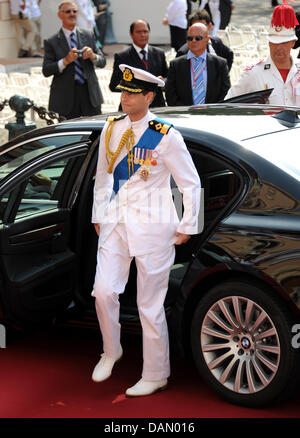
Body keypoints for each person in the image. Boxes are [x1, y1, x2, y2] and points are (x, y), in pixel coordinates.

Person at [91, 64, 201, 397]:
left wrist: (188, 224)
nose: (125, 98)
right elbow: (103, 176)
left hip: (154, 228)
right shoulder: (111, 128)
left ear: (148, 96)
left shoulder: (165, 135)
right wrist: (99, 214)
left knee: (149, 306)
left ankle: (155, 373)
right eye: (123, 92)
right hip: (115, 223)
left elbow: (189, 183)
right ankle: (112, 350)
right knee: (104, 291)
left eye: (132, 93)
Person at [225, 1, 300, 105]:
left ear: (293, 43)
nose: (278, 47)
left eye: (283, 43)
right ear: (269, 42)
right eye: (274, 42)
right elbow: (228, 104)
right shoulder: (254, 73)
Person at [42, 1, 106, 119]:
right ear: (60, 15)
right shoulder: (51, 41)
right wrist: (65, 61)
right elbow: (46, 70)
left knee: (96, 134)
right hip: (66, 97)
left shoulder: (88, 34)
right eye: (68, 11)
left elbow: (102, 62)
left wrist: (93, 56)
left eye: (74, 11)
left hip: (90, 95)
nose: (72, 14)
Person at [165, 22, 230, 106]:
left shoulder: (220, 64)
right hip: (184, 115)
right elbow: (170, 94)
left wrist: (213, 110)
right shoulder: (176, 65)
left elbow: (226, 92)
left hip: (212, 114)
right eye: (190, 38)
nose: (193, 41)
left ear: (207, 39)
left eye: (198, 38)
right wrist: (185, 111)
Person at [109, 19, 168, 108]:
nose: (143, 35)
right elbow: (113, 85)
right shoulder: (122, 57)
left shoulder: (159, 53)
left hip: (157, 106)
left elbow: (168, 78)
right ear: (131, 34)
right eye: (138, 32)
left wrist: (161, 81)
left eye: (145, 31)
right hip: (133, 107)